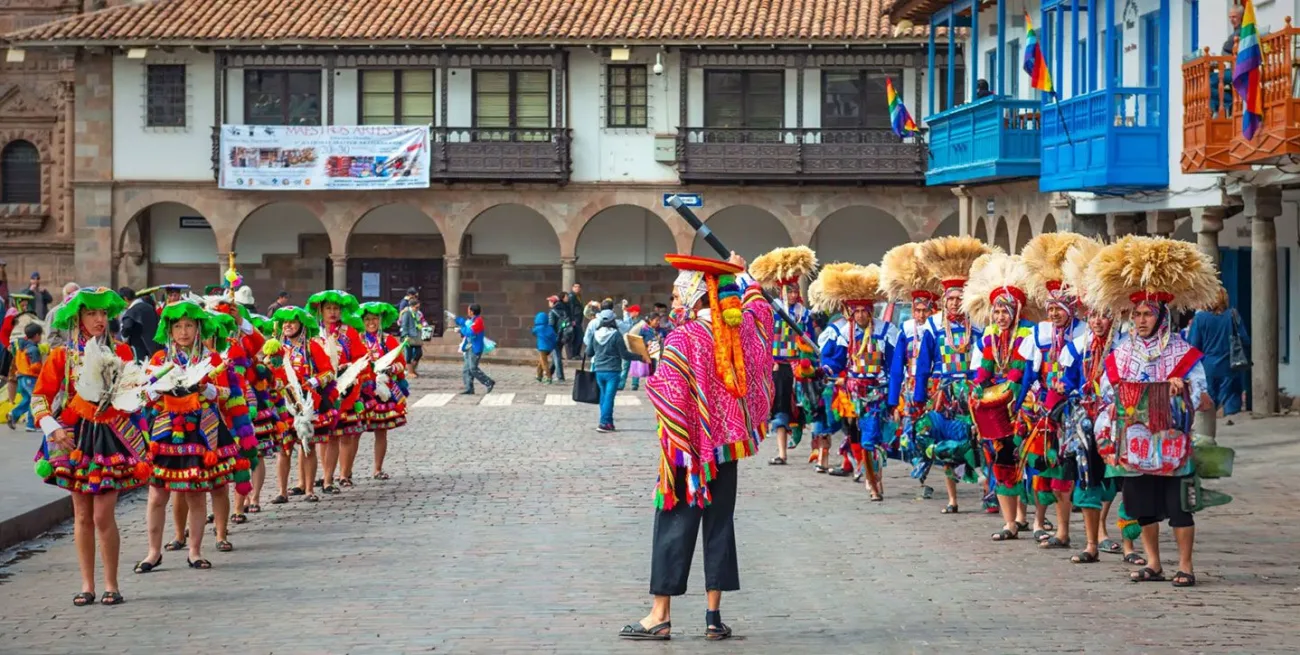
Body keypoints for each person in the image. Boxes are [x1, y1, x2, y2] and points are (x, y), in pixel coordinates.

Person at [618, 251, 773, 642]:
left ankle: (660, 615)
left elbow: (666, 391)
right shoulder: (738, 332)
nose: (672, 304)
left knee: (674, 522)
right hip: (726, 449)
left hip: (687, 452)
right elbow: (760, 313)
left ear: (693, 297)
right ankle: (713, 617)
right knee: (719, 524)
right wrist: (742, 275)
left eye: (676, 296)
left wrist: (654, 360)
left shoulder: (683, 337)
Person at [1087, 236, 1218, 588]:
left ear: (1161, 316)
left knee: (1179, 507)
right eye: (1137, 314)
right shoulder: (1120, 354)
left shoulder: (1182, 352)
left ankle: (1186, 566)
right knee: (1142, 506)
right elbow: (1107, 395)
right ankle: (1154, 563)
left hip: (1172, 442)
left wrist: (1184, 387)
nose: (1141, 319)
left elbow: (1204, 399)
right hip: (1135, 442)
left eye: (1148, 313)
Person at [30, 287, 148, 606]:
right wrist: (52, 428)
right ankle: (87, 584)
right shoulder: (62, 356)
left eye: (103, 313)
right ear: (78, 318)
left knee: (103, 515)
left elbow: (135, 394)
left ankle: (111, 583)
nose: (99, 320)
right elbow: (40, 396)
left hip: (110, 437)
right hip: (75, 437)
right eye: (91, 314)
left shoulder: (121, 352)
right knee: (81, 514)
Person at [134, 300, 251, 573]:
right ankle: (153, 552)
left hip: (202, 431)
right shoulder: (159, 360)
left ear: (198, 328)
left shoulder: (213, 360)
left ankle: (195, 551)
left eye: (189, 326)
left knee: (196, 494)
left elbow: (229, 394)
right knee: (157, 495)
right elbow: (142, 394)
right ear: (169, 331)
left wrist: (206, 390)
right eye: (178, 327)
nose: (183, 332)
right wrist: (155, 391)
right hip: (165, 431)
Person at [962, 253, 1042, 542]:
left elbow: (1026, 372)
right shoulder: (989, 336)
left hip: (1024, 403)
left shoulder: (1030, 333)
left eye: (1005, 311)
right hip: (998, 406)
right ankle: (1010, 522)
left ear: (1016, 311)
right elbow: (983, 371)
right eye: (996, 312)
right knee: (1003, 459)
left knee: (1031, 460)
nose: (1000, 317)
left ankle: (1035, 520)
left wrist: (1014, 393)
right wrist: (979, 388)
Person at [911, 236, 990, 514]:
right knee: (946, 444)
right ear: (943, 301)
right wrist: (919, 398)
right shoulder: (933, 325)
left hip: (972, 390)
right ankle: (953, 499)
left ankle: (988, 491)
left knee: (979, 441)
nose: (955, 303)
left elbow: (986, 358)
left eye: (959, 298)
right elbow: (923, 365)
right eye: (951, 299)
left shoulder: (978, 323)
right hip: (944, 393)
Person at [1023, 233, 1091, 548]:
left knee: (1068, 470)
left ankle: (1071, 531)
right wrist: (1024, 401)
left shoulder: (1084, 334)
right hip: (1043, 409)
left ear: (1070, 308)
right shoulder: (1039, 333)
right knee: (1040, 466)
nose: (1053, 314)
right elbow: (1029, 373)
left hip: (1073, 410)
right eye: (1050, 308)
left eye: (1059, 308)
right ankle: (1039, 520)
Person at [816, 264, 899, 500]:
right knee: (861, 435)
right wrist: (827, 369)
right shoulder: (844, 332)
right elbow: (835, 360)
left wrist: (895, 391)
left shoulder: (885, 330)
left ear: (871, 311)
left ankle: (874, 480)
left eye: (864, 310)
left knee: (873, 437)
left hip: (878, 391)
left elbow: (893, 362)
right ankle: (870, 478)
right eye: (857, 311)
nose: (860, 315)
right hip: (852, 394)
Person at [747, 246, 818, 468]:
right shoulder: (772, 311)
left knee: (809, 407)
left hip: (800, 366)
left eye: (796, 290)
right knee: (780, 408)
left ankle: (818, 452)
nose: (793, 294)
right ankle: (782, 452)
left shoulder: (804, 315)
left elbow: (810, 340)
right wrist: (769, 362)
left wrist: (809, 361)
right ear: (781, 291)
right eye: (789, 290)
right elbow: (765, 338)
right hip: (779, 366)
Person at [882, 242, 941, 500]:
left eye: (924, 309)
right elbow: (897, 366)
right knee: (911, 431)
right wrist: (893, 397)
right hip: (910, 386)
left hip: (934, 387)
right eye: (916, 309)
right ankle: (921, 470)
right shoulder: (906, 330)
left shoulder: (938, 328)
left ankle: (929, 467)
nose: (920, 314)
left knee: (930, 430)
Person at [267, 306, 334, 504]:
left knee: (308, 446)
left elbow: (329, 372)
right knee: (284, 448)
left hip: (306, 403)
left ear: (301, 325)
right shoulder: (275, 347)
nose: (288, 325)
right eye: (285, 322)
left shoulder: (311, 347)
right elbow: (267, 372)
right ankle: (282, 491)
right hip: (283, 403)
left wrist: (314, 381)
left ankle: (309, 489)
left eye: (293, 322)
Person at [307, 290, 365, 493]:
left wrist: (348, 368)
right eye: (328, 308)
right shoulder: (313, 333)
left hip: (345, 387)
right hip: (321, 389)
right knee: (325, 436)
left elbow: (361, 359)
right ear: (320, 311)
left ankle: (340, 475)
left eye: (336, 308)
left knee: (343, 435)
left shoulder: (349, 333)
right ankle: (325, 476)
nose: (332, 312)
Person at [358, 302, 408, 481]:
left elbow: (401, 364)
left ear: (380, 320)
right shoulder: (356, 340)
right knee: (353, 432)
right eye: (367, 319)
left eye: (375, 319)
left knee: (381, 431)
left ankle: (377, 469)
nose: (371, 322)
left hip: (382, 391)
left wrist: (390, 369)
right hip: (361, 391)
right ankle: (345, 472)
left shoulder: (388, 340)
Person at [1187, 287, 1247, 418]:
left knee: (1207, 408)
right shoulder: (1233, 315)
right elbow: (1245, 340)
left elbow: (1193, 346)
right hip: (1230, 367)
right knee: (1230, 406)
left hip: (1206, 368)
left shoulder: (1200, 318)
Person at [585, 308, 646, 432]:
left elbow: (589, 352)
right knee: (609, 397)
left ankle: (608, 422)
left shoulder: (595, 334)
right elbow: (624, 355)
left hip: (599, 370)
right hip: (613, 371)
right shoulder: (616, 335)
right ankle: (604, 423)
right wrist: (640, 357)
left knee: (603, 396)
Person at [5, 321, 44, 432]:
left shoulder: (21, 346)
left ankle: (13, 414)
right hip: (30, 377)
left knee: (27, 399)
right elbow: (36, 366)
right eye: (40, 335)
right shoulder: (33, 349)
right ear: (37, 335)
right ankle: (31, 424)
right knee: (35, 399)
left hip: (21, 377)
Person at [454, 303, 495, 394]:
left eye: (469, 310)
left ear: (472, 311)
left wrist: (461, 327)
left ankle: (488, 382)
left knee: (473, 368)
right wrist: (460, 325)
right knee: (466, 369)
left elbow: (470, 332)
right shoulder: (472, 320)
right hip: (469, 346)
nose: (467, 311)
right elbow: (466, 330)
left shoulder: (478, 321)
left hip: (475, 347)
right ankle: (469, 388)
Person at [120, 288, 160, 361]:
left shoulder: (132, 311)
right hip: (156, 349)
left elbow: (126, 328)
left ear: (125, 299)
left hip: (140, 351)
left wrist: (123, 337)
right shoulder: (149, 307)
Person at [44, 282, 80, 349]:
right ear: (64, 295)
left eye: (75, 294)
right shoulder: (54, 313)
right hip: (63, 352)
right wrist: (70, 346)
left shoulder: (81, 312)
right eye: (69, 293)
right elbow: (51, 338)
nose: (72, 296)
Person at [398, 297, 426, 378]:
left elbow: (421, 321)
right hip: (409, 336)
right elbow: (404, 325)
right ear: (412, 306)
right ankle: (410, 372)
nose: (417, 309)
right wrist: (405, 335)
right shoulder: (406, 313)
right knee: (408, 355)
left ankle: (412, 370)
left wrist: (425, 325)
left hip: (417, 336)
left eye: (418, 307)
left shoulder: (418, 313)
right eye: (416, 307)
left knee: (419, 353)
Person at [532, 309, 559, 384]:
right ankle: (539, 375)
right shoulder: (549, 328)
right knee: (541, 361)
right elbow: (554, 336)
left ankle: (548, 377)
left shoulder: (538, 328)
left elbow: (533, 332)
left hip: (542, 348)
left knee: (544, 363)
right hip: (549, 348)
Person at [546, 294, 569, 382]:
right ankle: (550, 372)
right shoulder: (563, 310)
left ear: (553, 302)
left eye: (550, 301)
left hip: (555, 336)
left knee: (557, 356)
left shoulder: (552, 312)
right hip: (563, 336)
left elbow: (551, 325)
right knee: (556, 355)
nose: (549, 303)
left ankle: (560, 376)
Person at [566, 283, 585, 359]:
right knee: (576, 337)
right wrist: (572, 320)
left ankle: (576, 354)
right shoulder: (571, 296)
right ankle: (573, 354)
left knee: (578, 337)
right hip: (574, 320)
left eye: (578, 287)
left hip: (578, 320)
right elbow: (571, 308)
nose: (577, 288)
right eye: (575, 287)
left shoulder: (578, 296)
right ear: (572, 288)